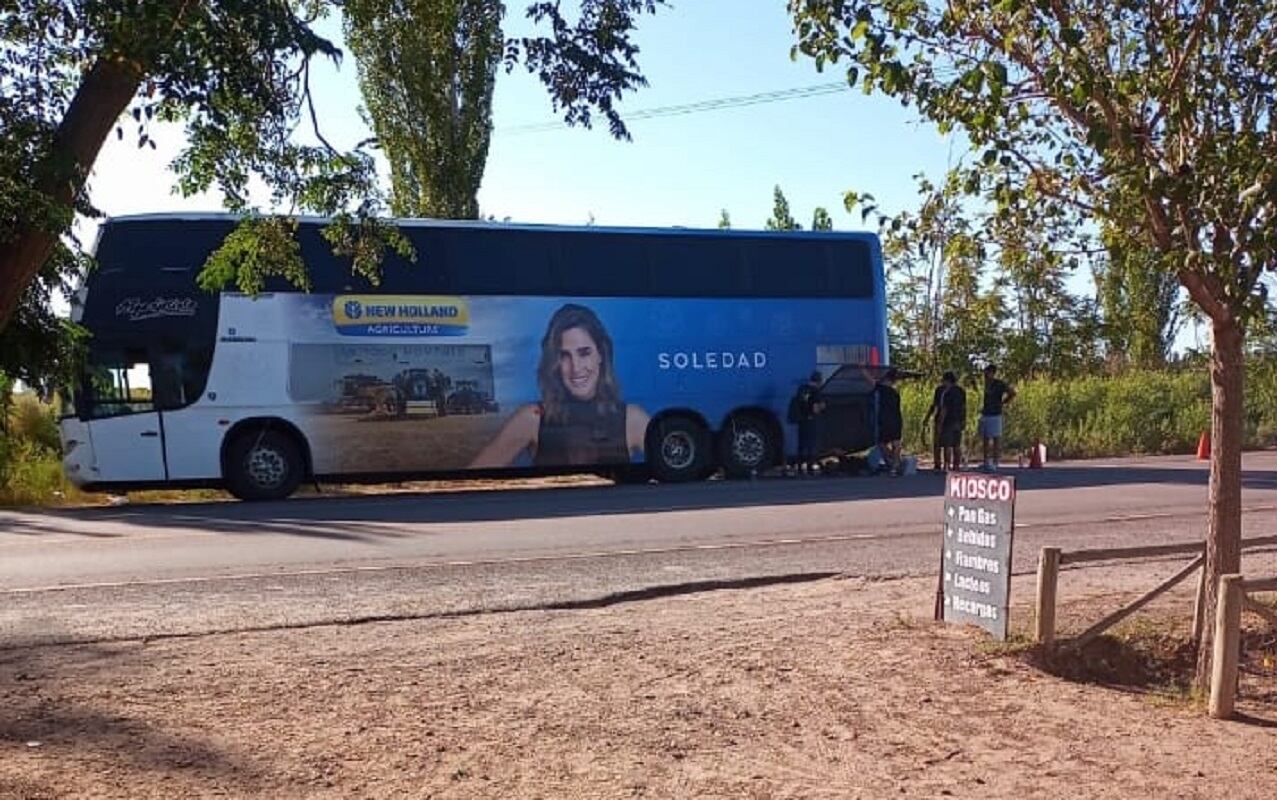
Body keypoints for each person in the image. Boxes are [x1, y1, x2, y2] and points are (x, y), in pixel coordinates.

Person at [469, 304, 649, 468]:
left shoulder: (632, 419)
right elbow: (471, 478)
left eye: (584, 353)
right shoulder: (532, 418)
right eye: (565, 356)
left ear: (601, 354)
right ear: (554, 362)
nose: (576, 368)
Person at [978, 364, 1015, 472]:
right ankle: (986, 461)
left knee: (995, 438)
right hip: (986, 413)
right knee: (985, 438)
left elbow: (1012, 393)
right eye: (985, 373)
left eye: (987, 372)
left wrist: (1003, 402)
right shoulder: (986, 384)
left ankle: (995, 462)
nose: (985, 375)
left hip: (995, 414)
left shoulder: (999, 384)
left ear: (992, 373)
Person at [788, 371, 826, 475]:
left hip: (801, 420)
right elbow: (815, 408)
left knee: (801, 444)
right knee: (811, 445)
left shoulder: (802, 389)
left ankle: (800, 467)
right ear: (819, 381)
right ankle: (810, 467)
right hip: (811, 420)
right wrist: (822, 407)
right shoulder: (816, 391)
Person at [872, 368, 904, 476]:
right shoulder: (895, 392)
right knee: (896, 443)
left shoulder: (882, 389)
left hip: (885, 419)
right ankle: (895, 465)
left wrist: (861, 368)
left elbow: (870, 380)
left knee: (881, 443)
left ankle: (893, 462)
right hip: (896, 419)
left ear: (886, 379)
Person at [936, 371, 966, 471]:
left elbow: (944, 409)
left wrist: (940, 423)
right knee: (957, 444)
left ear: (947, 380)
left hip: (948, 421)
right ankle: (956, 465)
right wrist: (963, 420)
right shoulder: (961, 391)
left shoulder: (947, 393)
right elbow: (963, 406)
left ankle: (947, 465)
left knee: (947, 445)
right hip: (958, 419)